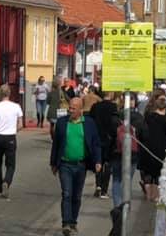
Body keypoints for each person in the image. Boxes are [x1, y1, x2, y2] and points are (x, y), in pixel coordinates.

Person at [50, 96, 102, 236]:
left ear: (80, 110)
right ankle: (66, 223)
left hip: (81, 165)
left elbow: (96, 143)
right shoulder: (62, 122)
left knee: (76, 196)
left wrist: (98, 161)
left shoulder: (89, 123)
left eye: (73, 108)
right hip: (65, 164)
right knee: (66, 193)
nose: (70, 110)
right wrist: (53, 163)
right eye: (70, 107)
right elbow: (56, 144)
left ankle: (73, 222)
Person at [137, 95, 166, 202]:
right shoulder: (165, 120)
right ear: (164, 108)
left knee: (147, 173)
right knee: (158, 174)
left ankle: (148, 195)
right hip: (160, 150)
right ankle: (155, 197)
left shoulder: (148, 117)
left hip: (147, 148)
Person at [89, 91, 119, 199]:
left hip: (97, 137)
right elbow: (115, 123)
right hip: (109, 139)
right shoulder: (113, 107)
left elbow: (90, 120)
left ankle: (98, 186)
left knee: (98, 162)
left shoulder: (95, 106)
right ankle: (104, 190)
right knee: (108, 164)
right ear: (110, 95)